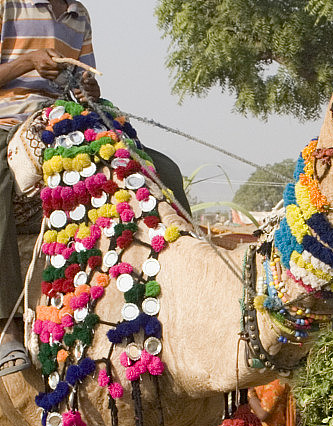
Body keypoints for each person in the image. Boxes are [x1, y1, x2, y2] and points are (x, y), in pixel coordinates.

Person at [0, 0, 191, 377]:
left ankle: (178, 294)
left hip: (62, 122)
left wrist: (88, 87)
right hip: (8, 121)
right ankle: (5, 325)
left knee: (163, 169)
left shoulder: (78, 14)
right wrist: (26, 62)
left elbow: (87, 84)